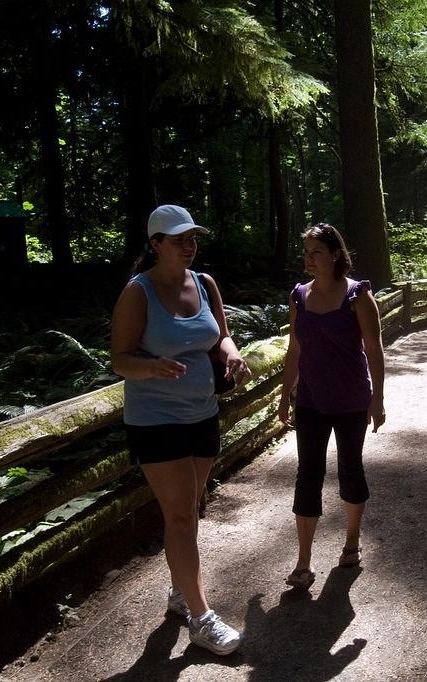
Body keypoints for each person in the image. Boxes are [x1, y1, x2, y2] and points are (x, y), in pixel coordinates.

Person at [110, 204, 247, 655]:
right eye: (178, 239)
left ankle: (178, 593)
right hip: (156, 420)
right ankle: (202, 618)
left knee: (191, 506)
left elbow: (220, 335)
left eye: (192, 238)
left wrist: (230, 353)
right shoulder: (138, 293)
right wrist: (150, 368)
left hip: (202, 413)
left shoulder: (204, 284)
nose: (188, 246)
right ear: (155, 245)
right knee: (182, 515)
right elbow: (120, 358)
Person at [277, 223, 386, 590]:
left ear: (335, 253)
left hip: (351, 399)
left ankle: (352, 540)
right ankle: (303, 563)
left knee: (350, 469)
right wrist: (284, 394)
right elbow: (295, 348)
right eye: (305, 252)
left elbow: (374, 349)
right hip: (310, 400)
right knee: (308, 474)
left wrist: (378, 399)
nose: (308, 259)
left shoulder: (357, 295)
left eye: (316, 252)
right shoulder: (299, 296)